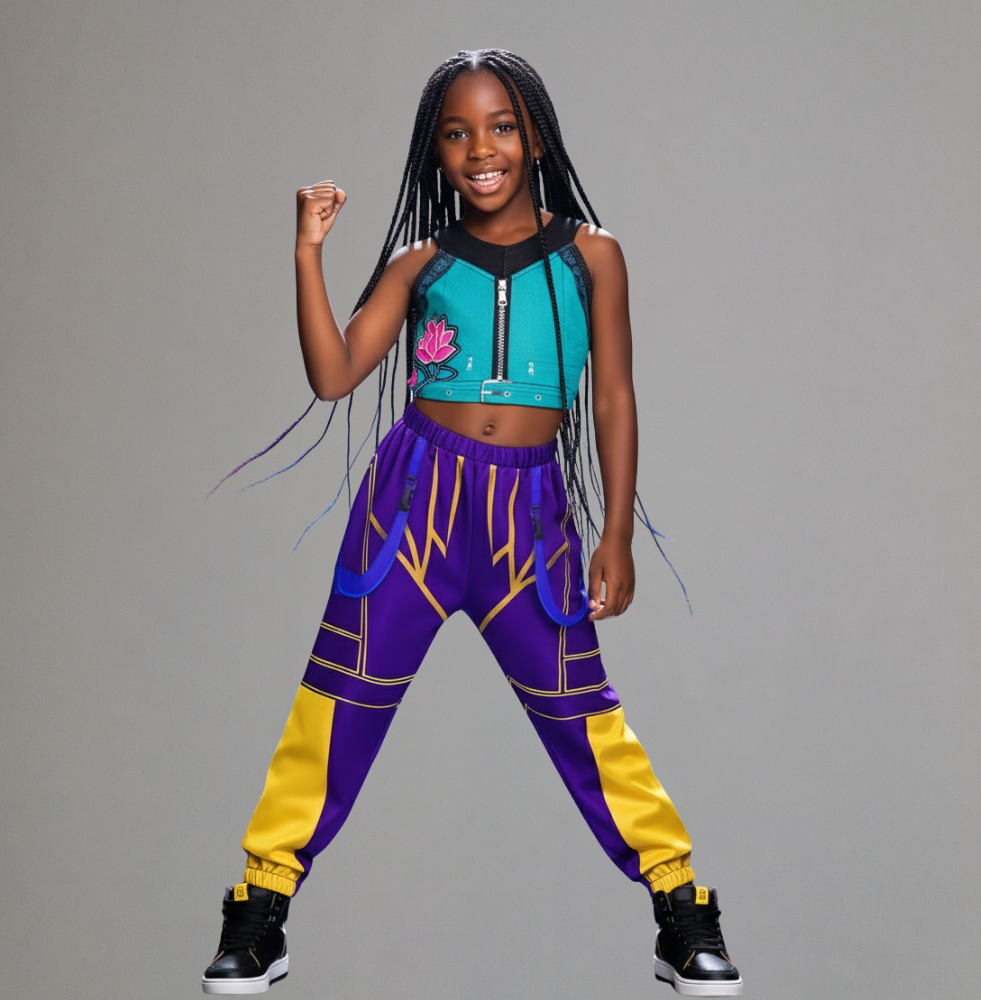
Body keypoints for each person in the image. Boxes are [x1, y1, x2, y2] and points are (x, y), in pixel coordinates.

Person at [201, 49, 742, 997]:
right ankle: (260, 907)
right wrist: (307, 251)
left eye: (500, 128)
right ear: (436, 151)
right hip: (411, 511)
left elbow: (613, 396)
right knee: (337, 700)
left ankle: (680, 908)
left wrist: (615, 533)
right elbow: (334, 375)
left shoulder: (593, 256)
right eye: (456, 133)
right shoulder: (421, 262)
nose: (480, 149)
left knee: (583, 713)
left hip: (527, 524)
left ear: (536, 139)